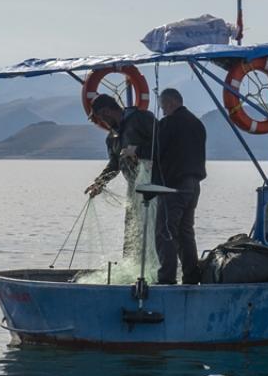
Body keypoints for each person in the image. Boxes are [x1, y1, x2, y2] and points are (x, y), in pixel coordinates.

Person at [83, 94, 157, 265]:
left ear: (107, 111)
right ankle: (133, 266)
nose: (102, 121)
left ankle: (161, 270)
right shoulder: (112, 137)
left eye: (101, 117)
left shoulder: (141, 119)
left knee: (155, 228)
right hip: (134, 188)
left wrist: (138, 151)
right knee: (133, 226)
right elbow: (114, 164)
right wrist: (99, 183)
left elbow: (162, 142)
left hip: (156, 186)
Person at [151, 88, 206, 285]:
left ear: (172, 103)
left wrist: (134, 151)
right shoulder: (198, 124)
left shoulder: (170, 123)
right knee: (185, 233)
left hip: (174, 186)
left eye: (163, 107)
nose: (163, 111)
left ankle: (166, 278)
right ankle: (191, 276)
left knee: (165, 231)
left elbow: (155, 150)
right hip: (194, 187)